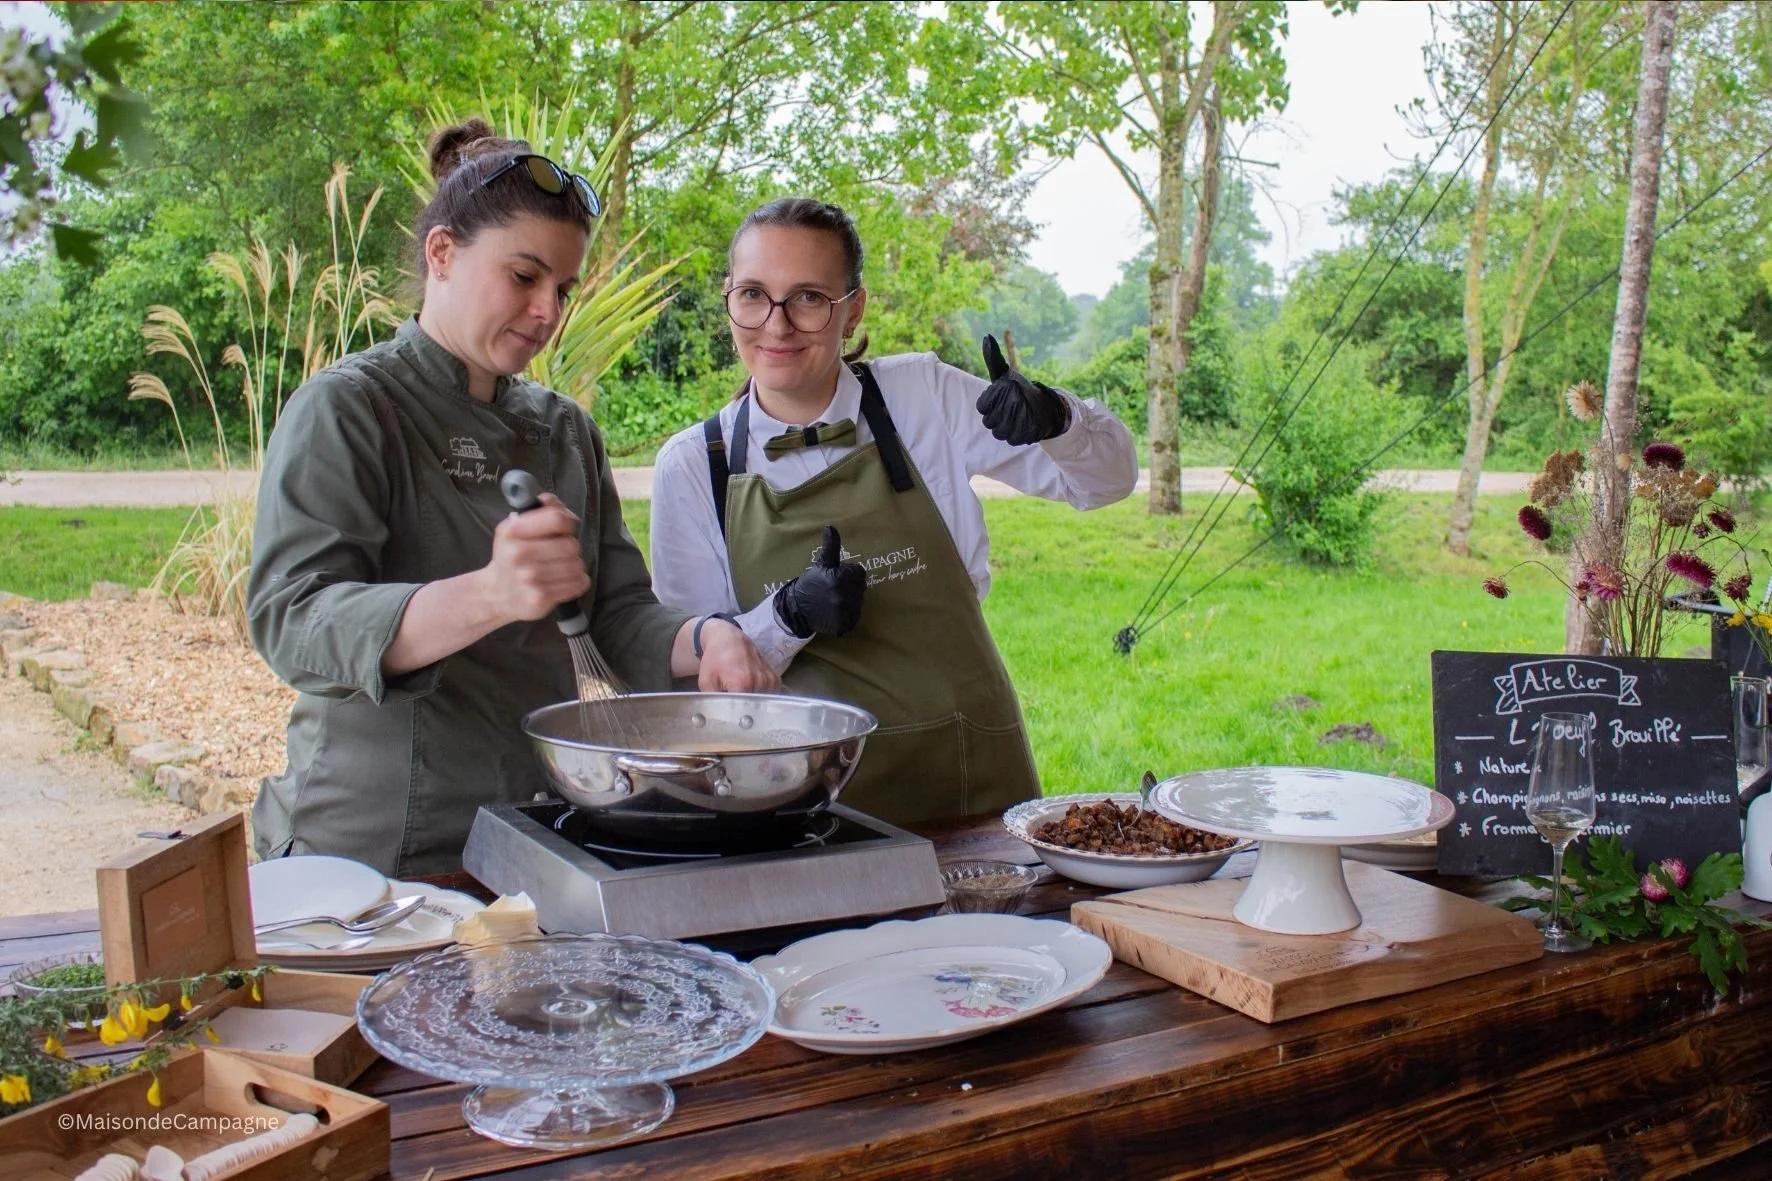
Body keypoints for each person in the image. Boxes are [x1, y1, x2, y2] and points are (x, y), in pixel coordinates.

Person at [247, 119, 777, 877]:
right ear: (441, 254)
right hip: (373, 864)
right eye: (523, 277)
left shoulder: (566, 432)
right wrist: (490, 593)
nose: (547, 312)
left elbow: (616, 614)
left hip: (538, 837)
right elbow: (292, 618)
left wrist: (706, 639)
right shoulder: (350, 408)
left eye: (563, 288)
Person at [650, 197, 1138, 824]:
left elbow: (1107, 483)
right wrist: (788, 616)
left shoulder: (921, 395)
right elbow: (703, 685)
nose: (775, 326)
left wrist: (1057, 419)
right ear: (729, 299)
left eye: (807, 298)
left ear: (853, 308)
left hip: (972, 781)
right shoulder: (694, 466)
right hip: (804, 805)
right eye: (752, 295)